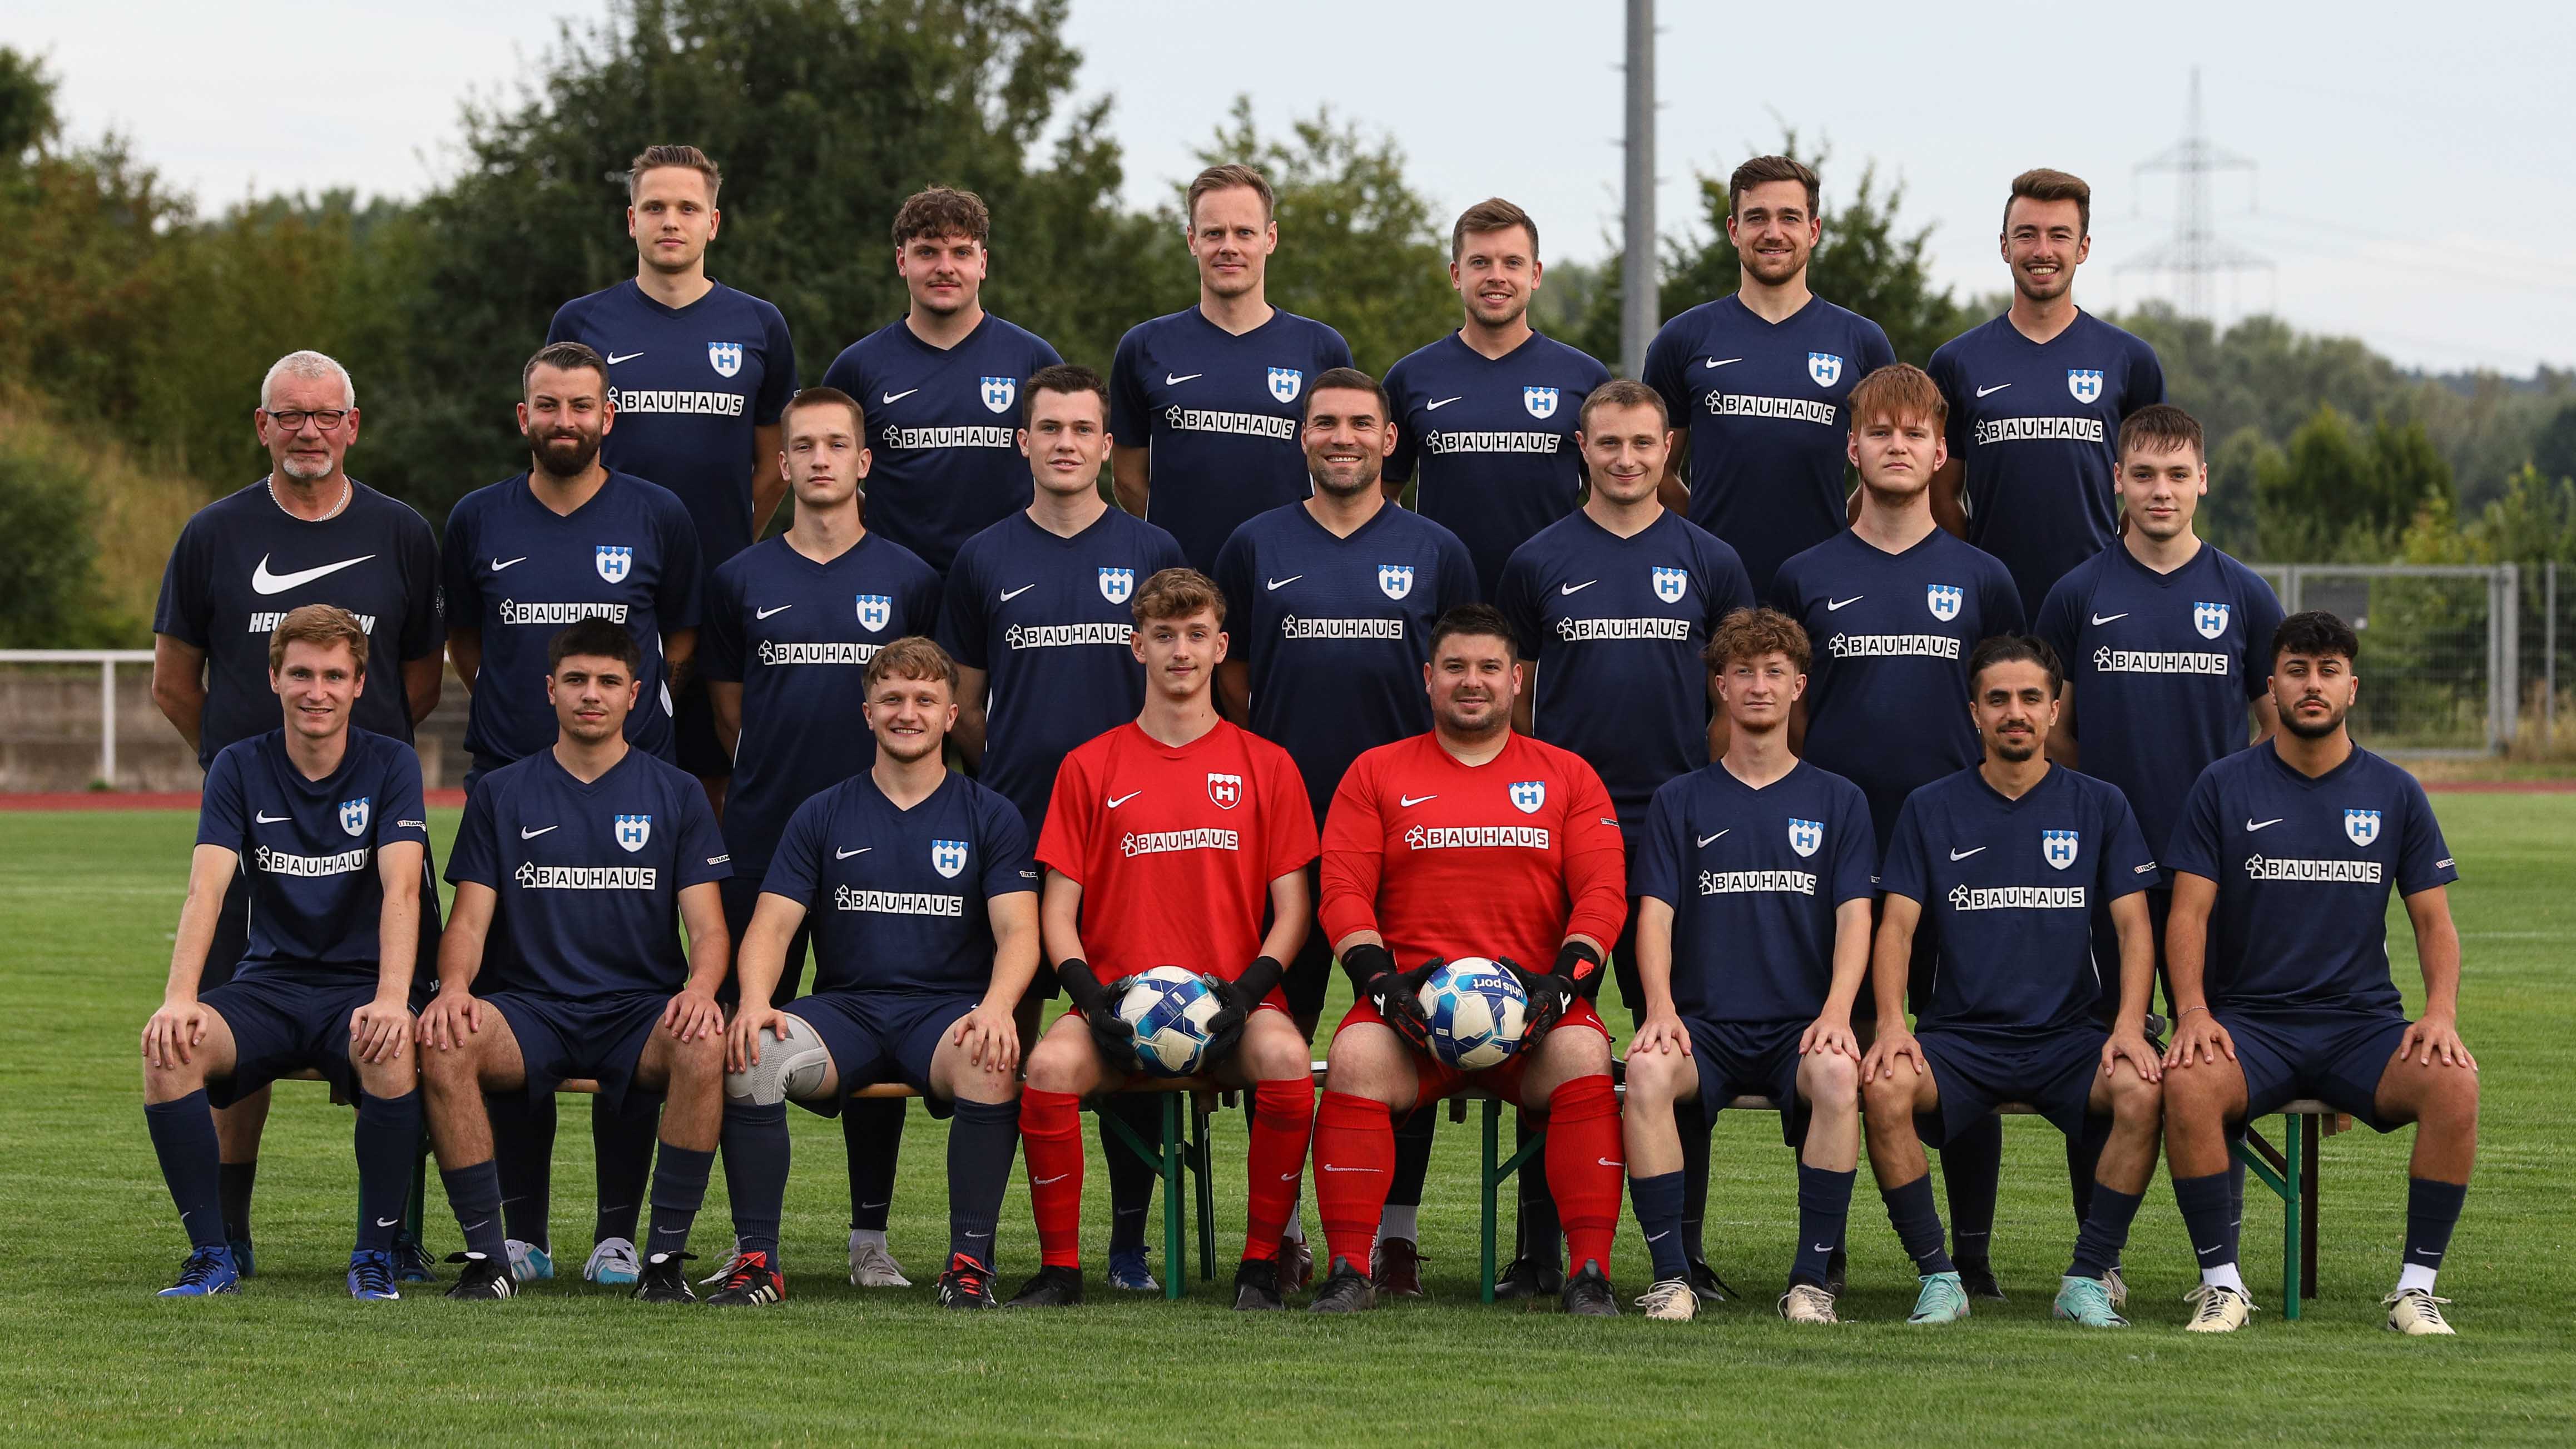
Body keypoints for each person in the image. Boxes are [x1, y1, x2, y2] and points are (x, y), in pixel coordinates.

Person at [149, 349, 444, 1277]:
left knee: (406, 1025)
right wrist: (251, 763)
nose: (308, 430)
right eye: (290, 415)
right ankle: (225, 1238)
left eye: (325, 415)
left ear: (352, 425)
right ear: (262, 424)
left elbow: (423, 681)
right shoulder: (213, 534)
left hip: (373, 817)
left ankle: (393, 1240)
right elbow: (171, 680)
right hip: (256, 822)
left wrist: (343, 760)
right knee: (226, 1041)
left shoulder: (401, 533)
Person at [439, 339, 702, 1287]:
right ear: (524, 416)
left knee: (634, 985)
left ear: (607, 416)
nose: (563, 420)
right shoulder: (476, 519)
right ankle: (520, 1233)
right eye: (546, 404)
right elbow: (469, 640)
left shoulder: (656, 515)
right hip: (515, 778)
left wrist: (609, 718)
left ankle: (620, 1233)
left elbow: (672, 637)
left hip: (632, 777)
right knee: (516, 996)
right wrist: (528, 717)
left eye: (580, 406)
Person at [1211, 366, 1477, 1294]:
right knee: (1271, 1028)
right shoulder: (1253, 544)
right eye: (1324, 422)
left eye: (1360, 423)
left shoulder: (1436, 548)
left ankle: (1394, 1234)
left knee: (1403, 1023)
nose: (1341, 437)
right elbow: (1234, 676)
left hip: (1407, 830)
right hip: (1282, 830)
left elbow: (1459, 679)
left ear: (1389, 440)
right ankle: (1276, 1233)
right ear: (1302, 438)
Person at [1768, 361, 2024, 1297]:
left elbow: (2006, 717)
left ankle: (1973, 1252)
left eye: (1915, 433)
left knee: (1960, 1046)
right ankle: (1823, 1251)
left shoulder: (1983, 578)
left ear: (1940, 451)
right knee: (1826, 1044)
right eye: (1880, 432)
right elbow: (1788, 720)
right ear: (1853, 446)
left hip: (1956, 857)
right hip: (1834, 856)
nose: (1898, 446)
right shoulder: (1804, 574)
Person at [1494, 377, 1751, 1299]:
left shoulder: (1711, 559)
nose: (1627, 459)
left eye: (1644, 444)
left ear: (1667, 449)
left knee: (1675, 1035)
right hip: (1562, 823)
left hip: (1676, 823)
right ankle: (1539, 1248)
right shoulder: (1536, 561)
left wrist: (1696, 790)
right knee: (1544, 1028)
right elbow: (1515, 696)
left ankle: (1678, 1252)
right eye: (1609, 443)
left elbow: (1731, 699)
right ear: (1581, 445)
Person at [1004, 568, 1321, 1312]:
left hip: (1231, 1002)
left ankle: (1257, 1266)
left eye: (1195, 635)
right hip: (1115, 999)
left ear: (1221, 646)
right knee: (1048, 1065)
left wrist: (1243, 995)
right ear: (1136, 645)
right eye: (1165, 636)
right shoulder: (1090, 765)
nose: (1181, 651)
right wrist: (1092, 998)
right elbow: (1057, 911)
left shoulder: (1265, 765)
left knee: (1285, 1057)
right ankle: (1059, 1271)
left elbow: (1294, 909)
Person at [938, 363, 1188, 1291]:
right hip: (1016, 831)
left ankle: (1126, 1241)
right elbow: (960, 702)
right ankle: (983, 1239)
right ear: (1024, 441)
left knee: (1130, 1028)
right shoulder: (982, 557)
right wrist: (1004, 774)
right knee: (1010, 1037)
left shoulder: (1153, 544)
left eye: (1084, 428)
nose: (1067, 444)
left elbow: (1174, 677)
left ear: (1102, 443)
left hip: (1132, 835)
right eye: (1049, 428)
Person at [2158, 611, 2478, 1336]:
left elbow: (2434, 921)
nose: (2313, 685)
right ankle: (2221, 1284)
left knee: (2455, 1081)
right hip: (2252, 1025)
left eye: (2328, 671)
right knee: (2188, 1078)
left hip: (2360, 1027)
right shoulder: (2223, 785)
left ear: (2352, 688)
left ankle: (2416, 1289)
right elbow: (2188, 916)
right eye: (2298, 670)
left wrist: (2441, 1014)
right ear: (2271, 685)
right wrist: (2194, 1011)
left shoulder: (2395, 791)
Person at [1308, 604, 1629, 1315]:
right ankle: (1347, 1268)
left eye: (1489, 667)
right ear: (1428, 678)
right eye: (1455, 667)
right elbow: (1342, 892)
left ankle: (1590, 1274)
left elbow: (1604, 893)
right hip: (1412, 1018)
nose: (1472, 681)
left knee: (1584, 1056)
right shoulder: (1375, 772)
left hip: (1533, 1019)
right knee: (1356, 1056)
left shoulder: (1567, 775)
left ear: (1517, 680)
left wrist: (1564, 985)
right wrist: (1380, 984)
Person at [415, 619, 735, 1302]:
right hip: (531, 1008)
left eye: (609, 682)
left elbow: (707, 926)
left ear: (635, 695)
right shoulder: (502, 792)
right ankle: (488, 1254)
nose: (593, 694)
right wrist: (454, 988)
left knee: (706, 1042)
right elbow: (469, 920)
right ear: (550, 689)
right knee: (444, 1041)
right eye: (578, 680)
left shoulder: (676, 792)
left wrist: (703, 988)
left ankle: (662, 1260)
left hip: (638, 1010)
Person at [699, 385, 940, 1289]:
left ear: (862, 461)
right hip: (767, 839)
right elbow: (730, 716)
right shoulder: (740, 580)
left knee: (873, 1011)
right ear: (786, 463)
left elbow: (919, 705)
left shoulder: (910, 577)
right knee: (744, 1029)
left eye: (837, 444)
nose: (820, 459)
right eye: (802, 445)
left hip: (883, 842)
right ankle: (747, 1236)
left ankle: (868, 1235)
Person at [719, 638, 1038, 1309]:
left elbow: (1018, 931)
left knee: (991, 1057)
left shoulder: (990, 814)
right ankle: (757, 1263)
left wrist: (999, 1006)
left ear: (953, 714)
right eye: (892, 698)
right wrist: (752, 999)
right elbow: (772, 926)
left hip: (944, 1013)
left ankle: (969, 1265)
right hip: (848, 1012)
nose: (907, 712)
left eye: (925, 699)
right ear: (867, 712)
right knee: (752, 1055)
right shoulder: (822, 811)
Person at [1858, 636, 2164, 1329]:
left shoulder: (2101, 804)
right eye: (1998, 699)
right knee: (1883, 1085)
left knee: (2143, 1089)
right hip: (1960, 1039)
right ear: (1974, 712)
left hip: (2069, 1037)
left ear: (2056, 710)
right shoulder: (1931, 806)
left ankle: (2088, 1276)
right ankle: (1940, 1276)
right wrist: (1894, 1025)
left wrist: (2126, 1024)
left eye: (2031, 698)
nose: (2015, 712)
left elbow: (2134, 929)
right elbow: (1897, 928)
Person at [139, 606, 431, 1300]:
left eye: (335, 674)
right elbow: (205, 891)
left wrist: (393, 996)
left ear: (360, 683)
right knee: (168, 1049)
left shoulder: (392, 763)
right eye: (300, 672)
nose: (317, 689)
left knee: (391, 1047)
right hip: (267, 985)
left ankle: (375, 1254)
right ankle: (212, 1254)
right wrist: (179, 998)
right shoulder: (239, 765)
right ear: (274, 677)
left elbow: (403, 891)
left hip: (359, 987)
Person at [1623, 608, 1875, 1322]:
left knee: (1835, 1071)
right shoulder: (1681, 799)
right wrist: (1662, 1010)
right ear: (1720, 686)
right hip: (1704, 1025)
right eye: (1743, 672)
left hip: (1798, 1025)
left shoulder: (1839, 799)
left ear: (1799, 685)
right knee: (1644, 1071)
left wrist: (1835, 1013)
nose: (1758, 686)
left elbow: (1855, 916)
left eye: (1774, 672)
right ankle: (1670, 1276)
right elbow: (1656, 915)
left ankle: (1811, 1280)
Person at [546, 142, 796, 800]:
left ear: (714, 222)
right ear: (631, 221)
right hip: (615, 585)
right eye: (654, 206)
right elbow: (560, 444)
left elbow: (776, 464)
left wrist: (730, 541)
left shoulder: (759, 324)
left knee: (717, 776)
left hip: (719, 587)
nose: (670, 220)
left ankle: (713, 909)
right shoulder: (581, 321)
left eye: (688, 207)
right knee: (611, 772)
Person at [1639, 156, 1896, 594]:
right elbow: (1653, 471)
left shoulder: (1862, 341)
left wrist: (1840, 530)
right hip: (1713, 588)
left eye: (1789, 218)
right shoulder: (1683, 338)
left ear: (1813, 231)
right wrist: (1703, 533)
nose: (1773, 233)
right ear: (1734, 230)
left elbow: (1893, 472)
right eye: (1756, 217)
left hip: (1829, 586)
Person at [1926, 168, 2166, 619]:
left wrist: (2113, 560)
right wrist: (1980, 568)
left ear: (2084, 248)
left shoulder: (2131, 360)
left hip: (2099, 604)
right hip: (1992, 607)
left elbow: (2155, 483)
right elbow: (1940, 495)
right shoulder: (1955, 362)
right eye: (2026, 235)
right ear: (2004, 246)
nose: (2042, 251)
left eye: (2059, 236)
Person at [1109, 163, 1354, 569]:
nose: (1229, 247)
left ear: (1270, 238)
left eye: (1244, 232)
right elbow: (1128, 480)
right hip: (1181, 590)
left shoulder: (1322, 349)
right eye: (1213, 233)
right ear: (1192, 240)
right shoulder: (1144, 346)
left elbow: (1341, 471)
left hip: (1289, 579)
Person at [818, 185, 1065, 574]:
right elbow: (826, 478)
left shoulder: (1034, 360)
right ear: (902, 261)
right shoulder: (858, 367)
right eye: (928, 252)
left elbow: (1068, 473)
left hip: (1011, 578)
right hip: (893, 584)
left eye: (961, 253)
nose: (945, 267)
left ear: (983, 263)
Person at [1382, 198, 1611, 596]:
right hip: (1444, 604)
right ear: (1456, 274)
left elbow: (1613, 498)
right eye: (1480, 263)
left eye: (1512, 263)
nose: (1497, 276)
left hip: (1557, 598)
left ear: (1536, 274)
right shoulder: (1410, 377)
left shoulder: (1585, 377)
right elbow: (1381, 500)